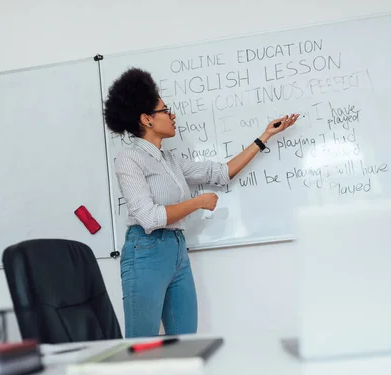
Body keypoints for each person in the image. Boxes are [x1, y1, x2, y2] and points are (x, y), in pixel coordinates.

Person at [103, 67, 299, 338]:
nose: (173, 116)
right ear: (147, 119)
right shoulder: (129, 159)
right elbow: (149, 217)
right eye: (165, 110)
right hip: (145, 251)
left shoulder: (170, 160)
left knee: (186, 342)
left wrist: (264, 137)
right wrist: (196, 203)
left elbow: (221, 173)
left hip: (176, 251)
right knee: (141, 346)